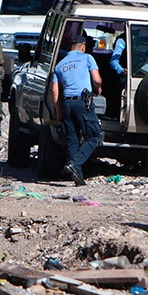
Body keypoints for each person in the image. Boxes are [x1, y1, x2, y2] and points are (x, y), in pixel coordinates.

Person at [51, 34, 102, 186]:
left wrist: (59, 112)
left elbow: (54, 91)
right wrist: (98, 87)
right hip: (82, 102)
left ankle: (77, 178)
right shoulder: (87, 58)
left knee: (72, 139)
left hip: (67, 103)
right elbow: (96, 79)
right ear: (83, 47)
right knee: (93, 136)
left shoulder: (59, 65)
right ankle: (74, 163)